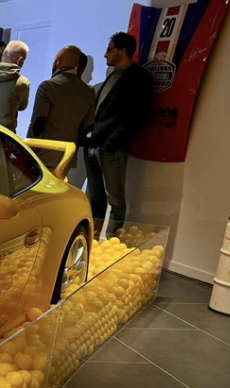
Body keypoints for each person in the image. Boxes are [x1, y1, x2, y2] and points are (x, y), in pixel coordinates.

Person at [84, 31, 154, 236]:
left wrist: (111, 143)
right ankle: (92, 241)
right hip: (92, 146)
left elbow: (136, 116)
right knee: (95, 198)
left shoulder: (139, 78)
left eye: (109, 49)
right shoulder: (112, 76)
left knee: (115, 200)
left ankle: (112, 243)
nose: (106, 55)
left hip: (111, 149)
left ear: (122, 50)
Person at [27, 46, 95, 169]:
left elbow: (37, 125)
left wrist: (27, 153)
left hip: (43, 154)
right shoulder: (88, 91)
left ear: (58, 61)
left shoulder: (48, 86)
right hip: (67, 157)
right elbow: (87, 127)